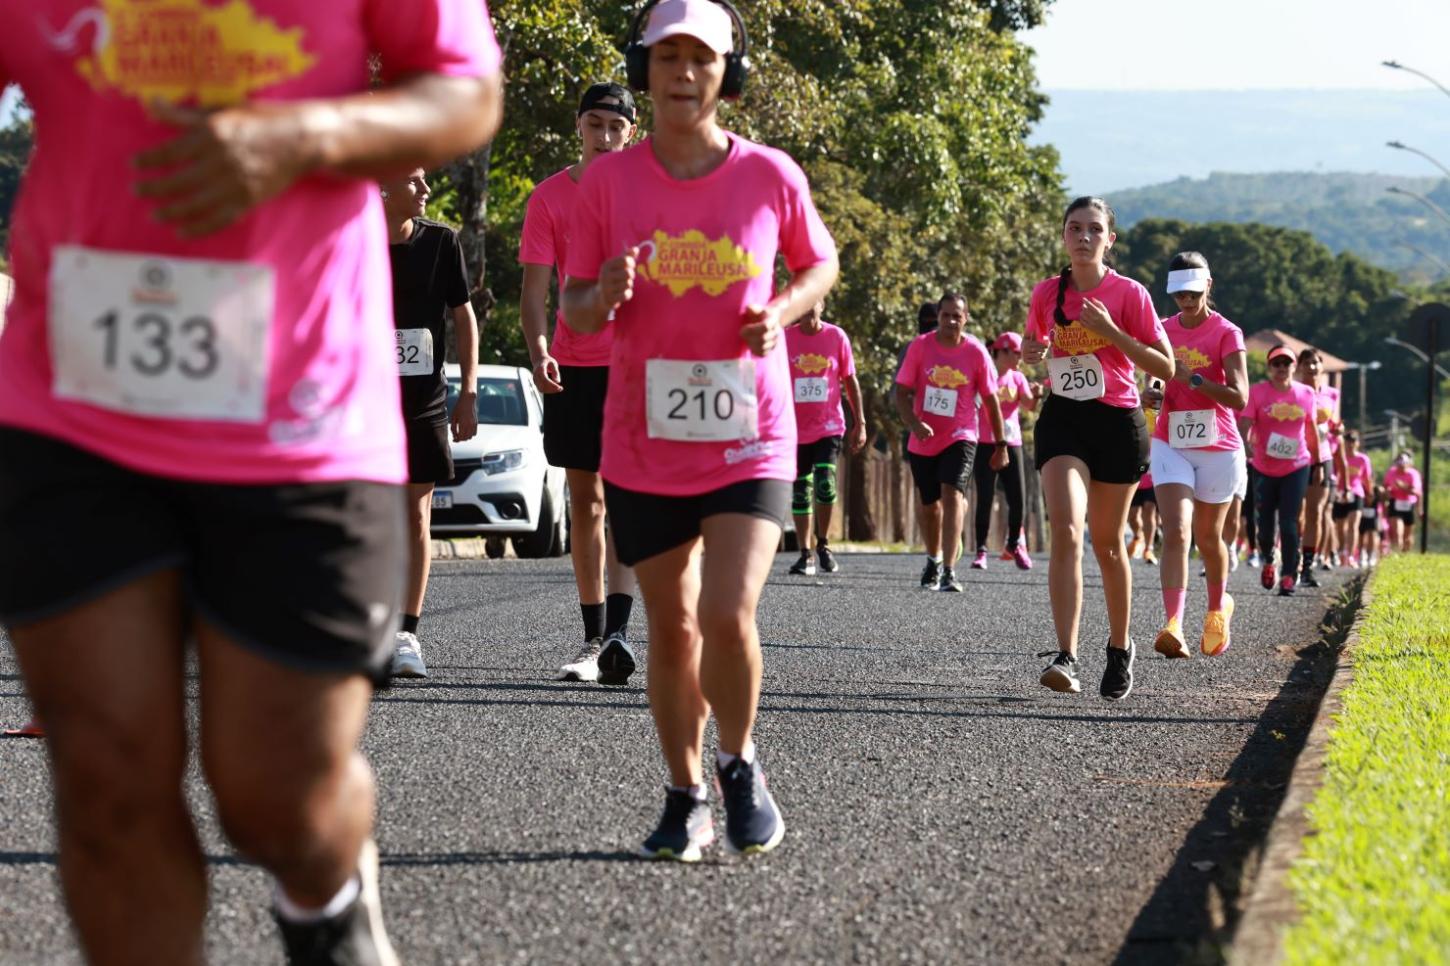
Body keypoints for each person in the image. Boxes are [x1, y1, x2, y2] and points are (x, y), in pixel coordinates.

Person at [0, 2, 502, 962]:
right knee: (107, 783)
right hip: (76, 404)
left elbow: (465, 91)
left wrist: (308, 134)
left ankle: (329, 899)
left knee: (278, 794)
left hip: (300, 412)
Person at [561, 0, 839, 861]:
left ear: (728, 74)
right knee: (671, 627)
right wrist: (602, 294)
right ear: (644, 68)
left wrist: (783, 309)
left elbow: (818, 262)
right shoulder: (605, 183)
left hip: (750, 431)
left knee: (726, 611)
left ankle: (739, 762)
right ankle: (685, 795)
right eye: (667, 57)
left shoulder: (769, 175)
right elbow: (573, 303)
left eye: (702, 59)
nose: (684, 73)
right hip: (644, 438)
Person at [1023, 197, 1174, 700]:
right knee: (1066, 529)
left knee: (1108, 544)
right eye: (1074, 228)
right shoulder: (1047, 293)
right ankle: (1066, 655)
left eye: (1093, 230)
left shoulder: (1129, 294)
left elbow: (1166, 365)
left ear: (1109, 239)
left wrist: (1111, 332)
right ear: (1063, 236)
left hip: (1117, 421)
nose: (1083, 237)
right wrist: (1032, 352)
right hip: (1064, 417)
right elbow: (1032, 345)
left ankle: (1118, 646)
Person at [520, 83, 642, 684]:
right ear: (579, 127)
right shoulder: (548, 198)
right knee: (585, 501)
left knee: (624, 497)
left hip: (636, 364)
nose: (603, 135)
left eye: (614, 126)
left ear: (631, 133)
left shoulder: (650, 196)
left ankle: (619, 632)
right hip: (573, 365)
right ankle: (596, 638)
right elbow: (534, 292)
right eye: (593, 123)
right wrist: (540, 350)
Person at [383, 169, 481, 678]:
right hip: (364, 402)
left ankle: (407, 633)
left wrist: (468, 392)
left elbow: (463, 316)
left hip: (423, 399)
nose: (424, 190)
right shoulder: (349, 239)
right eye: (415, 181)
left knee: (417, 516)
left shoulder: (441, 242)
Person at [1144, 253, 1248, 659]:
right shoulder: (1162, 330)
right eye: (1179, 293)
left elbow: (1239, 397)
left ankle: (1218, 609)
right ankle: (1173, 623)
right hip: (1171, 440)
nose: (1186, 300)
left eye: (1193, 291)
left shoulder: (1226, 333)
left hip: (1218, 445)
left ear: (1208, 285)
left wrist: (1193, 379)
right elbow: (1152, 380)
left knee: (1209, 537)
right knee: (1176, 531)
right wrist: (1149, 394)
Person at [895, 294, 1009, 592]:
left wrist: (1000, 443)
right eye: (945, 316)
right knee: (930, 506)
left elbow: (990, 400)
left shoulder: (975, 352)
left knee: (952, 493)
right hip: (924, 438)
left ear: (966, 318)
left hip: (961, 434)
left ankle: (949, 570)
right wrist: (914, 424)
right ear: (939, 318)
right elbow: (901, 392)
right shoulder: (920, 347)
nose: (950, 321)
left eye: (956, 316)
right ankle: (933, 560)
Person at [786, 301, 867, 576]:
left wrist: (861, 422)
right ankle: (805, 554)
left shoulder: (836, 336)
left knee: (825, 483)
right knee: (800, 490)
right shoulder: (786, 338)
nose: (808, 308)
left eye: (814, 302)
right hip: (795, 429)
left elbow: (850, 379)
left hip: (829, 425)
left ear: (821, 305)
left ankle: (823, 544)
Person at [1241, 345, 1323, 596]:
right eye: (1276, 364)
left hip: (1296, 465)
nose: (1281, 368)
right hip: (1263, 466)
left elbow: (1311, 430)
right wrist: (1246, 444)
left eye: (1286, 363)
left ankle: (1289, 574)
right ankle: (1268, 559)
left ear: (1293, 366)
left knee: (1289, 522)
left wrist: (1317, 465)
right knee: (1264, 524)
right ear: (1269, 367)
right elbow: (1245, 421)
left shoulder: (1306, 393)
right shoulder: (1257, 392)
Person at [970, 332, 1039, 570]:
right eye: (1017, 353)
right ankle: (981, 550)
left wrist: (1037, 394)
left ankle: (1014, 545)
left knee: (1018, 498)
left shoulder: (1017, 378)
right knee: (986, 497)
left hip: (1012, 442)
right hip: (985, 442)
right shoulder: (984, 375)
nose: (1020, 357)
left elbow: (1029, 405)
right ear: (1002, 352)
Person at [1293, 348, 1344, 588]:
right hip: (1294, 455)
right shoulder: (1293, 391)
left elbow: (1335, 423)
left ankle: (1308, 568)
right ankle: (1290, 561)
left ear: (1322, 367)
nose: (1311, 367)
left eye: (1315, 363)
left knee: (1316, 513)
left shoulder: (1332, 394)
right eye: (1307, 363)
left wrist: (1337, 429)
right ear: (1299, 367)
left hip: (1322, 456)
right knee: (1293, 514)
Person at [1334, 430, 1374, 567]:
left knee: (1353, 525)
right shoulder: (1338, 457)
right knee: (1340, 527)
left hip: (1357, 493)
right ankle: (1341, 552)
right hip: (1340, 493)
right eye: (1348, 441)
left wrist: (1370, 493)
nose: (1350, 444)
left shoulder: (1363, 459)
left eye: (1353, 441)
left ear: (1357, 443)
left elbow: (1367, 478)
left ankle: (1350, 555)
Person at [1384, 450, 1423, 552]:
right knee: (1397, 531)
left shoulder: (1413, 474)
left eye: (1403, 464)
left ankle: (1405, 555)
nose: (1401, 467)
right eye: (1398, 464)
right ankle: (1397, 553)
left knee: (1408, 536)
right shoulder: (1391, 472)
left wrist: (1403, 487)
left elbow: (1416, 492)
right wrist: (1387, 493)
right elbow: (1386, 487)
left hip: (1409, 505)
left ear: (1408, 463)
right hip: (1395, 504)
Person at [1359, 484, 1387, 567]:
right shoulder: (1361, 488)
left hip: (1373, 515)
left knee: (1372, 534)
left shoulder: (1376, 490)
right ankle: (1361, 553)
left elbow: (1384, 499)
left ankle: (1371, 555)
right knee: (1361, 534)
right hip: (1363, 514)